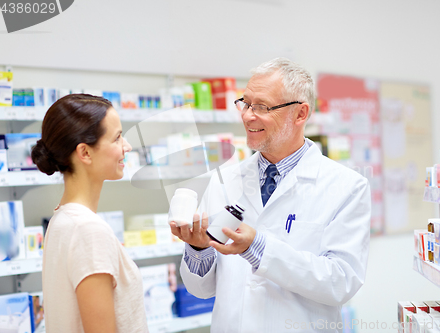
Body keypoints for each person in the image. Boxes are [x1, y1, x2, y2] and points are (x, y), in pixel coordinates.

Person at [170, 58, 371, 332]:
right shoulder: (225, 181)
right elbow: (202, 290)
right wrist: (198, 248)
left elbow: (341, 282)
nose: (247, 115)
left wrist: (258, 248)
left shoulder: (347, 186)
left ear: (300, 114)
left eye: (262, 107)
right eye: (246, 103)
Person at [31, 94, 149, 333]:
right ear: (85, 153)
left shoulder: (62, 219)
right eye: (116, 138)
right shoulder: (88, 231)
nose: (127, 146)